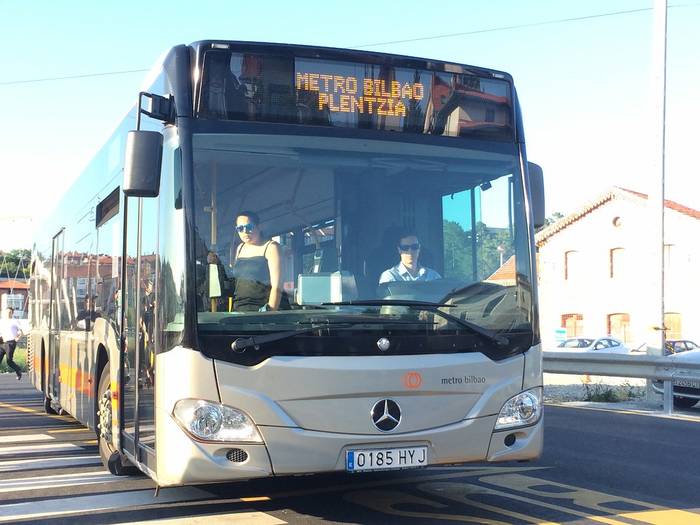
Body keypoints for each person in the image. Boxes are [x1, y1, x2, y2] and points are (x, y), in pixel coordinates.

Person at [210, 211, 288, 312]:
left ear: (259, 227)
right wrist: (216, 263)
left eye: (249, 227)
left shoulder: (271, 247)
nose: (245, 231)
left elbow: (277, 286)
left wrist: (270, 313)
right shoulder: (240, 248)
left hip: (262, 311)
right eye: (240, 228)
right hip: (240, 310)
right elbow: (236, 282)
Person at [0, 307, 24, 381]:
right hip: (1, 343)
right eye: (7, 312)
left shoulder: (15, 321)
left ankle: (18, 370)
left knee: (9, 361)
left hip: (10, 343)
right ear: (4, 313)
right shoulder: (1, 321)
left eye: (10, 312)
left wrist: (17, 338)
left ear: (12, 313)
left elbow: (21, 332)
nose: (8, 313)